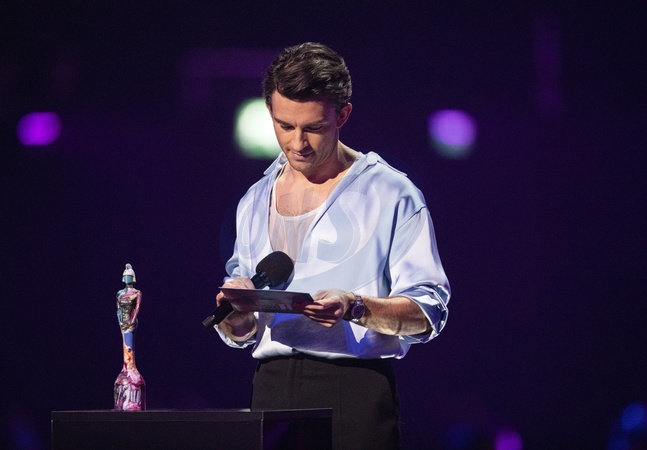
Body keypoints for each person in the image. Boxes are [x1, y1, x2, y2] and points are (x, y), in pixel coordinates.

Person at [214, 42, 450, 449]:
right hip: (271, 387)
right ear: (269, 111)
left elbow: (428, 313)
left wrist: (356, 306)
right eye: (284, 126)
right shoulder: (254, 198)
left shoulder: (391, 192)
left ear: (342, 115)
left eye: (313, 128)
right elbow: (244, 331)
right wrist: (236, 317)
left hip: (354, 391)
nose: (297, 143)